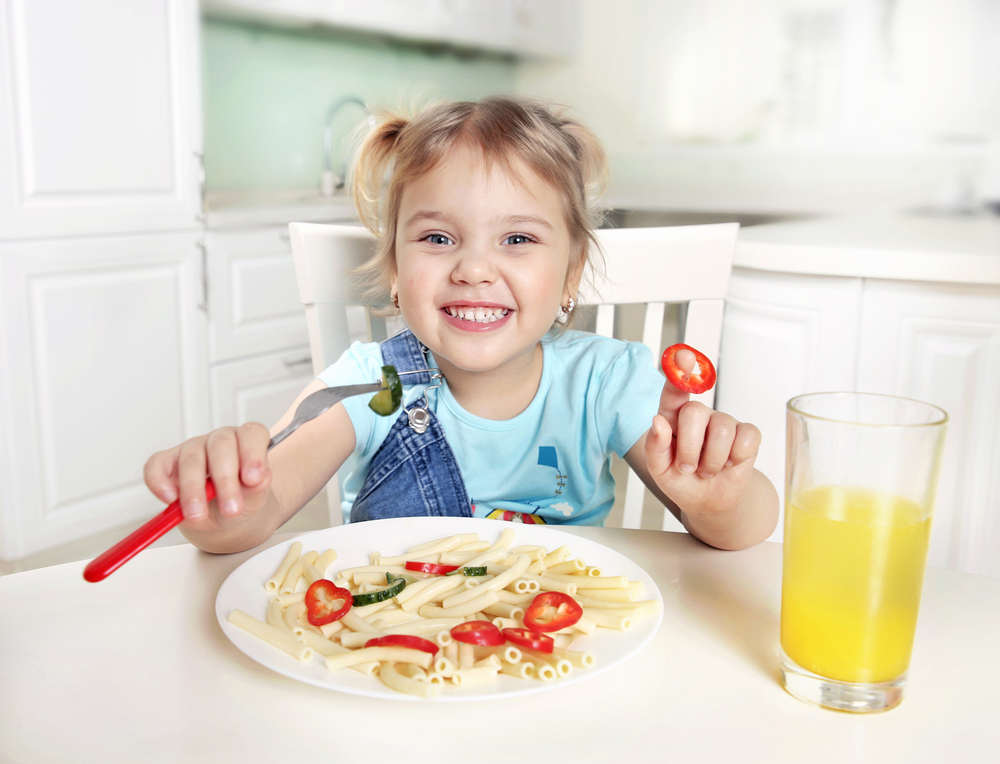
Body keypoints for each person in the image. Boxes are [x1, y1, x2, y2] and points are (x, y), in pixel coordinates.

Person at [143, 95, 778, 555]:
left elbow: (753, 527)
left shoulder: (606, 381)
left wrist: (719, 504)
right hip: (393, 647)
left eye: (518, 238)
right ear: (395, 268)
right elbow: (262, 506)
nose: (474, 269)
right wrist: (227, 501)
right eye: (439, 237)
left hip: (556, 641)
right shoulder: (370, 385)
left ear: (570, 274)